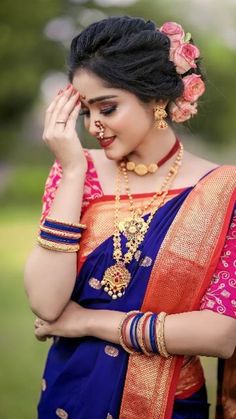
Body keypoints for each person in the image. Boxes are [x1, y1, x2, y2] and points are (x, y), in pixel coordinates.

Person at [24, 16, 236, 419]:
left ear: (156, 99)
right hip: (71, 392)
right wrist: (70, 173)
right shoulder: (75, 171)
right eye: (85, 111)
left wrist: (88, 321)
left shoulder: (224, 190)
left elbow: (221, 333)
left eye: (107, 107)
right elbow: (47, 305)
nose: (93, 125)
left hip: (168, 403)